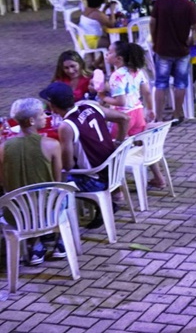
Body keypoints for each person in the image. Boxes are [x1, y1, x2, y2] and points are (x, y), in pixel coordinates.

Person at [0, 98, 65, 265]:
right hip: (48, 213)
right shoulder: (52, 145)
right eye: (42, 114)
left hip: (16, 215)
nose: (46, 117)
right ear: (31, 121)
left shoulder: (3, 148)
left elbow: (4, 183)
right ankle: (60, 239)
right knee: (64, 192)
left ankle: (36, 245)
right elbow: (57, 181)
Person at [41, 82, 130, 196]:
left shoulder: (67, 126)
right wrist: (118, 143)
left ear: (52, 106)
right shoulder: (91, 106)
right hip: (114, 171)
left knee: (49, 179)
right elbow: (125, 118)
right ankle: (114, 196)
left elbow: (68, 165)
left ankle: (65, 211)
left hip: (95, 180)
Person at [101, 41, 154, 136]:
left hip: (123, 116)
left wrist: (103, 97)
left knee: (118, 145)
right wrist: (150, 109)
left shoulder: (117, 76)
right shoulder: (137, 71)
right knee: (136, 143)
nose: (106, 54)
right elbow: (147, 92)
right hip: (138, 113)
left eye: (109, 52)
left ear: (119, 58)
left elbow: (121, 102)